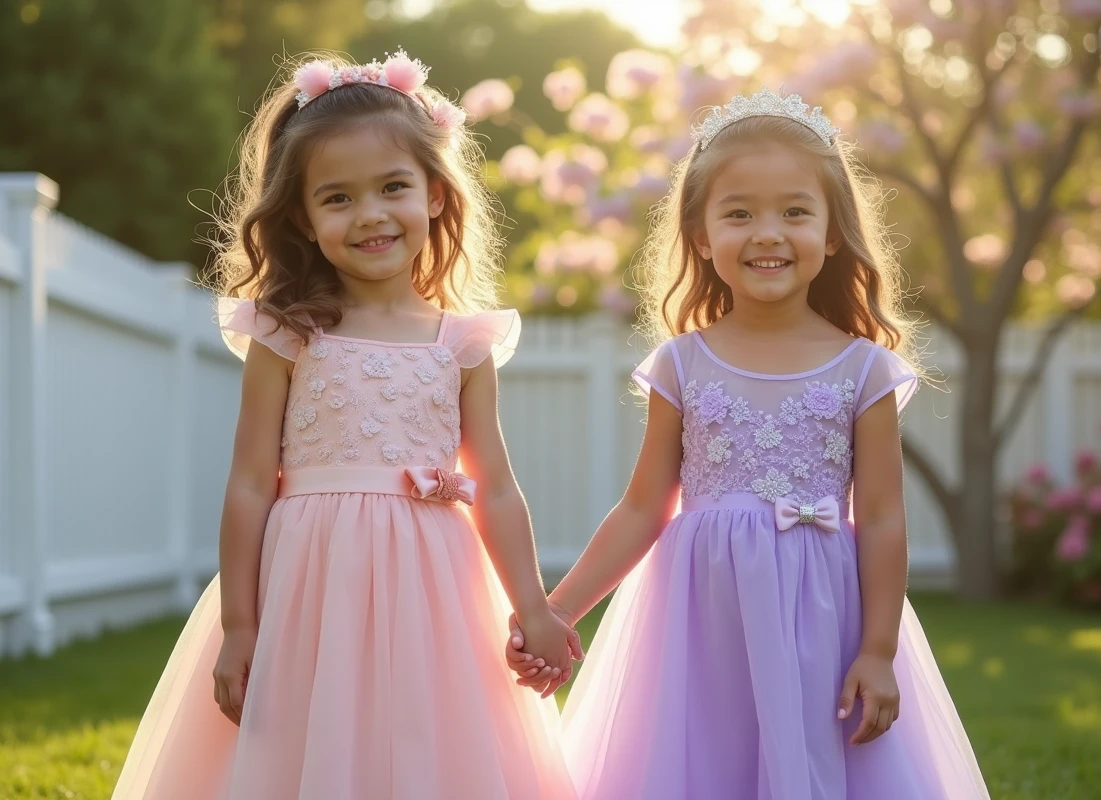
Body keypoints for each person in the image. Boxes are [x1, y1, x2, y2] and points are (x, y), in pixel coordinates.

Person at [113, 49, 579, 799]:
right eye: (338, 198)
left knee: (425, 740)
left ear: (435, 193)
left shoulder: (462, 343)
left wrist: (533, 607)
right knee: (311, 738)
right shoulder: (286, 334)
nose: (370, 215)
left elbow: (495, 485)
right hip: (308, 583)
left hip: (433, 584)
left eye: (393, 187)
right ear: (302, 217)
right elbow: (249, 483)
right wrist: (240, 625)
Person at [507, 90, 990, 800]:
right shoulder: (682, 364)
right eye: (739, 214)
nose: (768, 233)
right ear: (701, 236)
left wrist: (878, 650)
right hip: (702, 615)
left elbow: (884, 516)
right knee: (710, 758)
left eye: (795, 212)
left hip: (822, 612)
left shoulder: (863, 371)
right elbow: (642, 508)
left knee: (808, 754)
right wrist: (559, 610)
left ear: (832, 233)